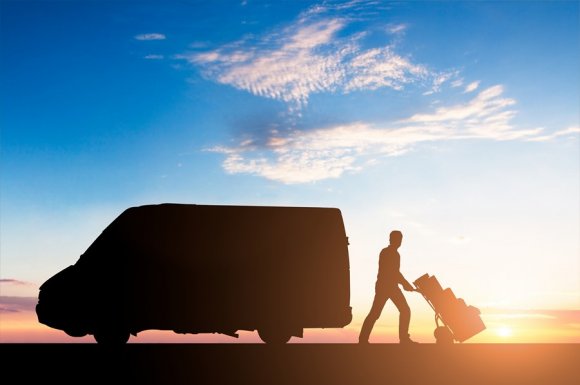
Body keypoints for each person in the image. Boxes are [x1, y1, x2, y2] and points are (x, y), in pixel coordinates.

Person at [359, 230, 418, 344]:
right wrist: (405, 284)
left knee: (401, 310)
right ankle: (403, 339)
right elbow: (393, 272)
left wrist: (404, 284)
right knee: (399, 311)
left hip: (389, 287)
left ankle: (363, 339)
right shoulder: (389, 253)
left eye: (400, 239)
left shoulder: (392, 253)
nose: (399, 242)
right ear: (391, 240)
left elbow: (395, 273)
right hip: (386, 287)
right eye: (397, 239)